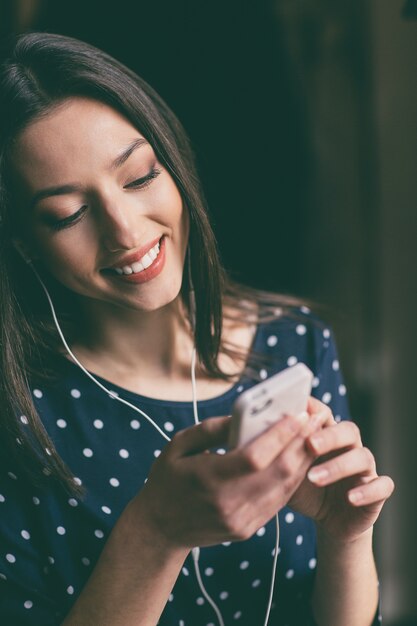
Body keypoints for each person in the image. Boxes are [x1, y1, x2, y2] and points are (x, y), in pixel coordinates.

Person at [0, 32, 394, 626]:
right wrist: (155, 532)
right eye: (69, 215)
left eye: (138, 178)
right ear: (26, 246)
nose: (126, 231)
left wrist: (346, 535)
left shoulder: (297, 343)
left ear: (174, 166)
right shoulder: (20, 419)